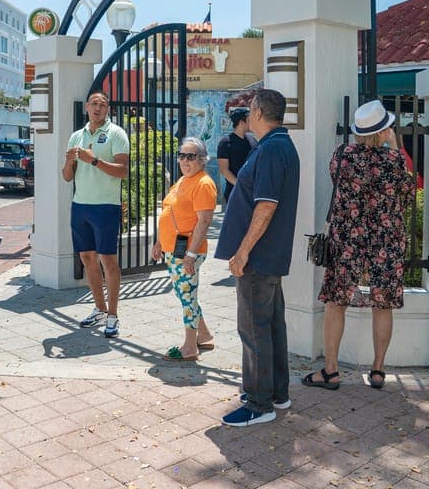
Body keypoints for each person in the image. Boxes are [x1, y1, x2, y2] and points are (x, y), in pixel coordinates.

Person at [303, 99, 413, 392]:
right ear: (383, 131)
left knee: (336, 302)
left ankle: (331, 370)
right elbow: (408, 194)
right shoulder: (396, 160)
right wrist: (392, 143)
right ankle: (377, 370)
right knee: (383, 305)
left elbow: (337, 182)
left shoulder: (342, 156)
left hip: (348, 240)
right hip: (386, 242)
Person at [215, 89, 300, 427]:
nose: (246, 115)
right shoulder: (276, 145)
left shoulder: (271, 149)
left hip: (258, 258)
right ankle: (277, 393)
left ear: (260, 112)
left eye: (250, 109)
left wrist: (242, 251)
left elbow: (265, 206)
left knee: (253, 329)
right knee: (270, 326)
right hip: (268, 257)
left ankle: (258, 402)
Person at [62, 91, 129, 338]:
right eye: (94, 104)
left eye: (102, 105)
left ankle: (113, 315)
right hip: (80, 206)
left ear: (108, 109)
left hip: (106, 207)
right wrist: (70, 162)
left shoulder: (116, 134)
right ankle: (99, 309)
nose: (97, 108)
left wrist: (94, 161)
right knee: (87, 258)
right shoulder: (77, 136)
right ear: (87, 108)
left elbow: (123, 171)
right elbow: (67, 176)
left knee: (108, 260)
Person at [151, 137, 217, 361]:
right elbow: (170, 211)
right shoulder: (182, 181)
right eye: (182, 155)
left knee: (187, 297)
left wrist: (190, 254)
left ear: (202, 160)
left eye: (191, 156)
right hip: (173, 249)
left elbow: (204, 221)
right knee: (185, 294)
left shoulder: (203, 183)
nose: (185, 161)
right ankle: (204, 335)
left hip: (188, 252)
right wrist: (160, 242)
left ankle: (190, 347)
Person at [216, 106, 257, 202]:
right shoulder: (225, 142)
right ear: (242, 122)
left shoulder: (253, 140)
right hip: (234, 192)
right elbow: (224, 170)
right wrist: (240, 185)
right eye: (249, 119)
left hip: (252, 191)